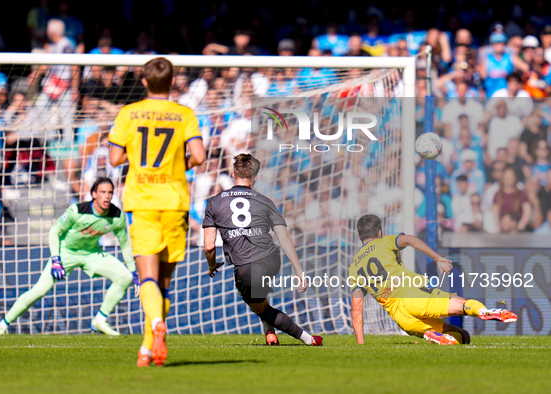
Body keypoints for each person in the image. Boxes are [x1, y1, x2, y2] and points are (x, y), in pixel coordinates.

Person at [108, 57, 206, 367]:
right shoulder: (184, 114)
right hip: (175, 201)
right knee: (164, 283)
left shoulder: (128, 113)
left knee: (146, 278)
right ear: (172, 81)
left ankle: (153, 328)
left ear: (145, 81)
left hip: (142, 202)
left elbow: (113, 158)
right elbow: (200, 157)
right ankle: (148, 349)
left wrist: (137, 158)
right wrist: (179, 165)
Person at [0, 178, 139, 335]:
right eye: (103, 192)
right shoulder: (76, 211)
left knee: (125, 277)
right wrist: (56, 259)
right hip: (65, 253)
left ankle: (100, 320)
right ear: (94, 194)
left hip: (92, 254)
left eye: (110, 192)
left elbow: (124, 244)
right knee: (39, 290)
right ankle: (2, 326)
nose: (107, 196)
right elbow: (54, 231)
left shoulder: (117, 217)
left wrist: (133, 271)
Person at [202, 154, 322, 347]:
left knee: (261, 308)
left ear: (233, 173)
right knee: (259, 292)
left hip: (245, 265)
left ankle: (309, 339)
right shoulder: (266, 201)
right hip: (272, 259)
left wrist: (211, 264)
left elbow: (209, 246)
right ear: (255, 177)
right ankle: (270, 333)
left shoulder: (215, 202)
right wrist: (299, 271)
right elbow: (284, 238)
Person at [349, 214, 517, 346]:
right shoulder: (385, 242)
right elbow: (408, 239)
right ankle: (483, 311)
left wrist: (361, 345)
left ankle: (430, 334)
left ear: (359, 235)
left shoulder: (354, 268)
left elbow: (356, 309)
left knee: (462, 336)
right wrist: (437, 258)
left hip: (401, 317)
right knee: (462, 305)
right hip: (414, 296)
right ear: (380, 232)